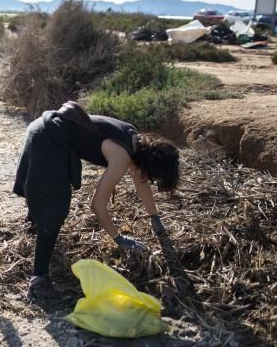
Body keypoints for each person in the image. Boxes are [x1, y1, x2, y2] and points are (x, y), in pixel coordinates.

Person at [13, 101, 179, 302]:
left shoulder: (133, 137)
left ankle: (34, 224)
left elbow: (141, 183)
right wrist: (118, 238)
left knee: (48, 189)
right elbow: (97, 205)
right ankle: (38, 282)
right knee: (55, 206)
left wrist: (155, 217)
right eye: (153, 176)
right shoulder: (121, 155)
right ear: (149, 166)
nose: (149, 180)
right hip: (48, 138)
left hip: (43, 127)